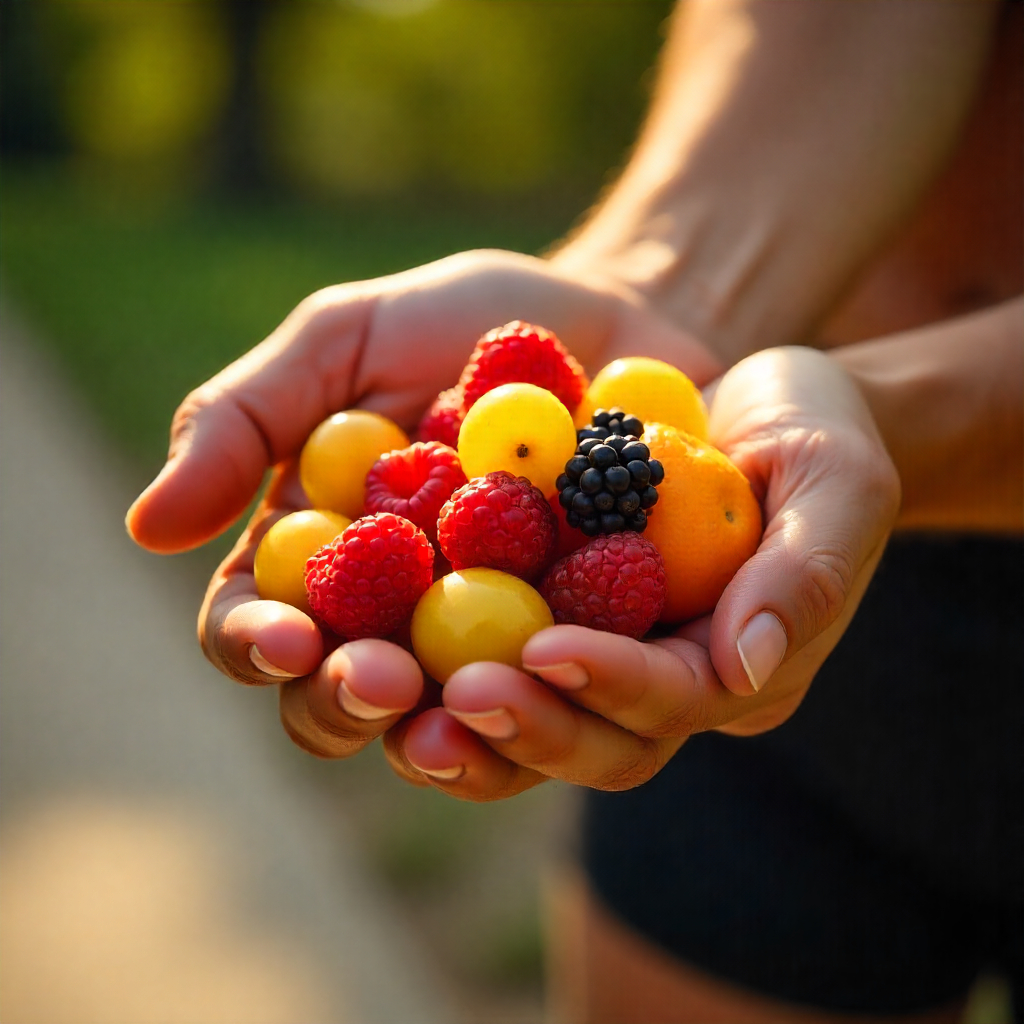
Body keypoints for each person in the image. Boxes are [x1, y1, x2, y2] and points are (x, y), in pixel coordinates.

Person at [126, 1, 1023, 1020]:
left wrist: (886, 417)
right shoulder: (625, 507)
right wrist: (662, 288)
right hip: (729, 573)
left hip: (755, 540)